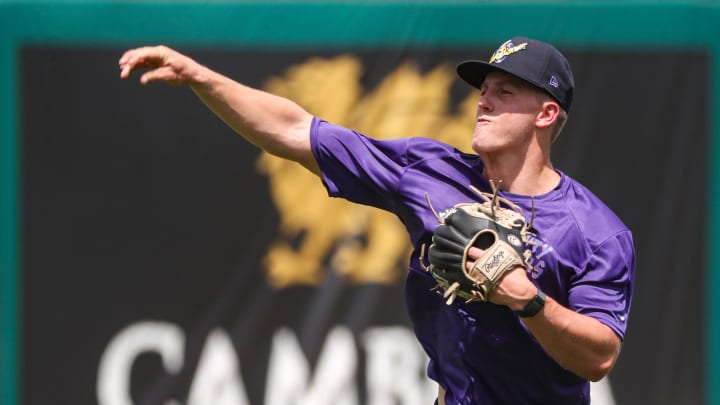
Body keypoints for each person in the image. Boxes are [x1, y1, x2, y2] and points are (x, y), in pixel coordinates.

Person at [119, 37, 635, 404]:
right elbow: (297, 131)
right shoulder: (431, 171)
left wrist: (528, 300)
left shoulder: (595, 232)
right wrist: (201, 78)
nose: (484, 100)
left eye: (505, 91)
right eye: (484, 88)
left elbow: (599, 357)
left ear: (545, 114)